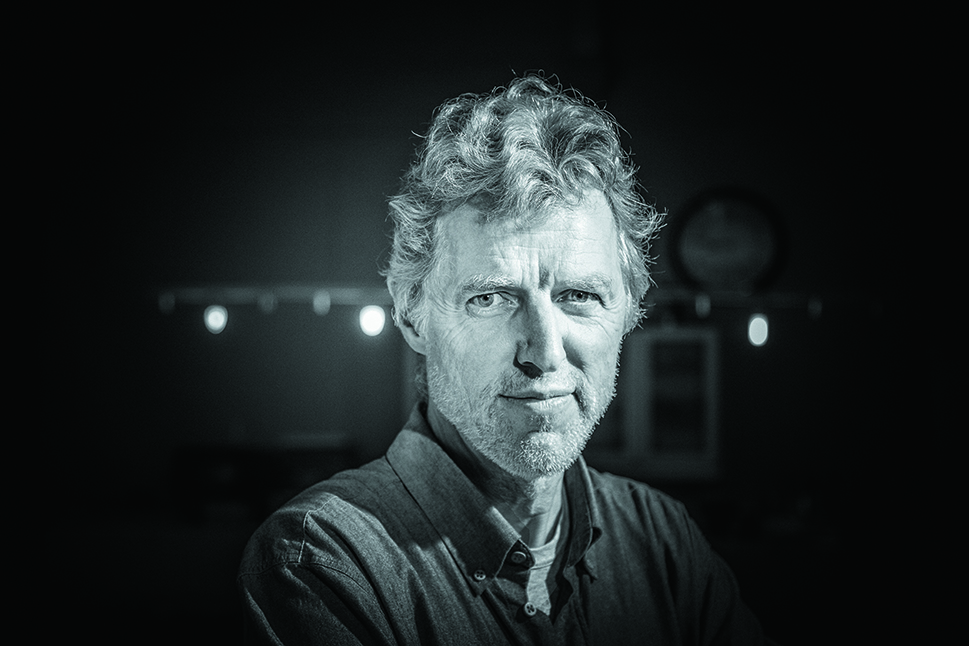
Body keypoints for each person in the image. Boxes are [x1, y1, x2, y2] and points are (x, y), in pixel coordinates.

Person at [238, 75, 774, 645]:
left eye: (579, 295)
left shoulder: (664, 544)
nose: (544, 353)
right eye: (491, 298)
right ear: (413, 315)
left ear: (628, 310)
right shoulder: (324, 563)